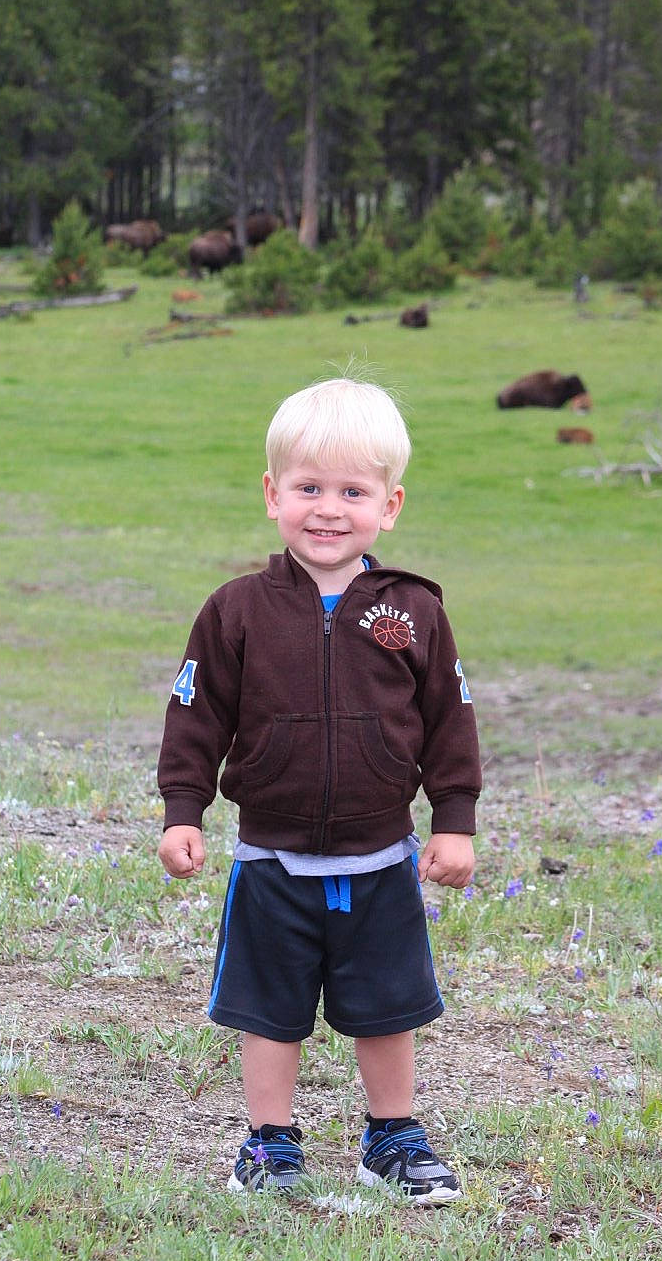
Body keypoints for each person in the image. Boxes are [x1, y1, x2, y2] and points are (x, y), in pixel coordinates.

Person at [157, 377, 481, 1203]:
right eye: (308, 488)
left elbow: (449, 719)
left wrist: (454, 822)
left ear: (390, 504)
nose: (328, 509)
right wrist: (182, 812)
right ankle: (269, 1142)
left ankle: (393, 1136)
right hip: (271, 859)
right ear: (273, 495)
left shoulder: (414, 610)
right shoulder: (235, 612)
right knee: (269, 1011)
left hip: (380, 859)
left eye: (352, 491)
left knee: (387, 1005)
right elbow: (195, 718)